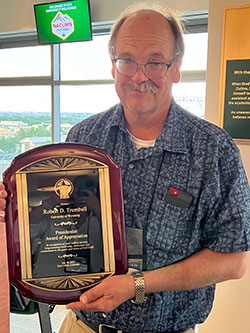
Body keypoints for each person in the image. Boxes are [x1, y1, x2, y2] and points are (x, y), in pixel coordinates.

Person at [1, 2, 250, 333]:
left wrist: (138, 284)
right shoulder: (84, 137)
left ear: (176, 68)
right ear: (113, 66)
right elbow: (58, 222)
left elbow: (234, 260)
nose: (139, 75)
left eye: (155, 62)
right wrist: (12, 208)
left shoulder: (213, 149)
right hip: (82, 326)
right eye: (127, 60)